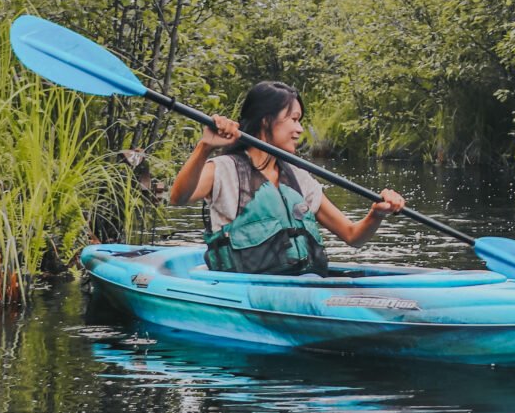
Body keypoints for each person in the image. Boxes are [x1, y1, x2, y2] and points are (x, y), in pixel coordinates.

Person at [169, 80, 406, 275]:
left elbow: (353, 236)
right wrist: (204, 147)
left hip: (304, 286)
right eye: (293, 119)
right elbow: (178, 198)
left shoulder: (299, 177)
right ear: (265, 120)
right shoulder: (224, 169)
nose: (300, 129)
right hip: (244, 291)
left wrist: (377, 214)